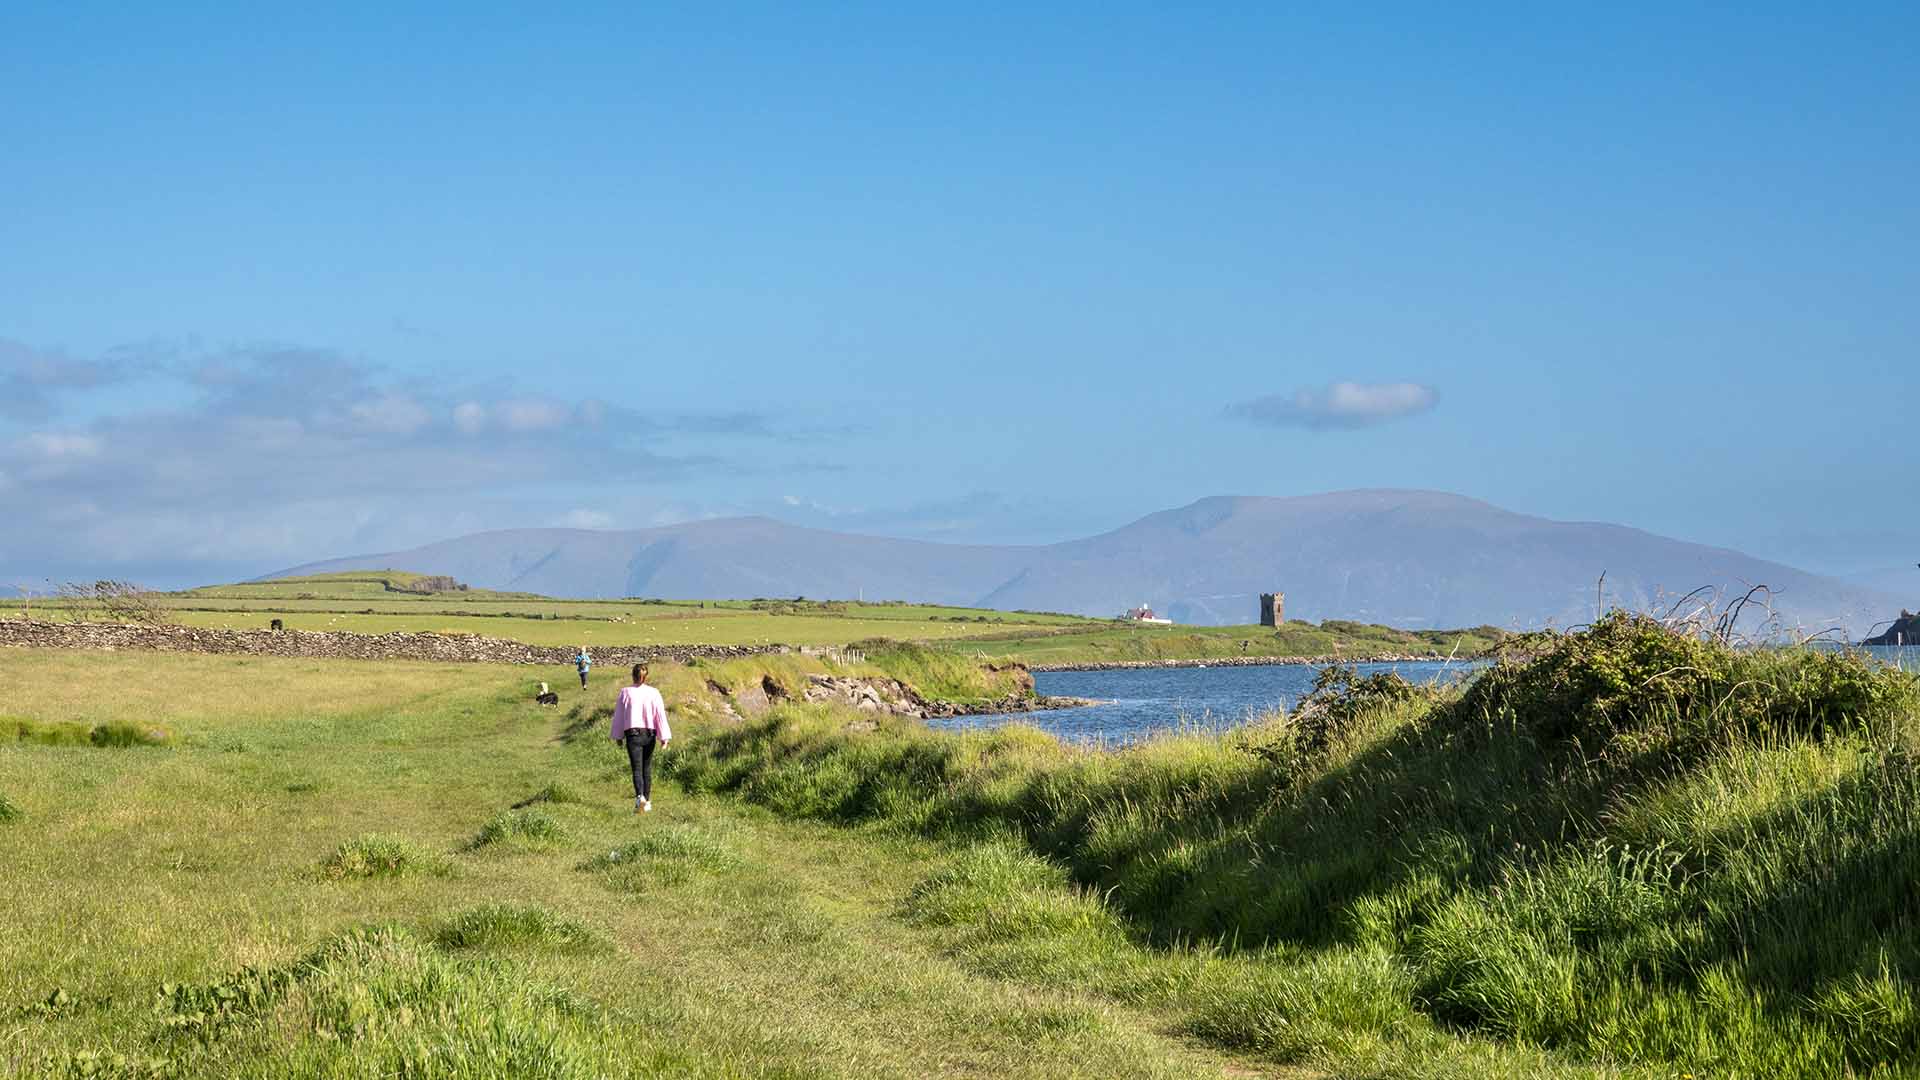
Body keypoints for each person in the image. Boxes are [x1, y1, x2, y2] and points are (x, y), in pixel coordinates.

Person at [609, 663, 671, 813]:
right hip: (650, 734)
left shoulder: (625, 692)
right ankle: (647, 801)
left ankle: (639, 797)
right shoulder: (654, 692)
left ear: (633, 676)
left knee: (636, 768)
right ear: (646, 677)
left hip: (633, 734)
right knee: (646, 768)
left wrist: (618, 736)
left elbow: (619, 716)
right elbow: (660, 715)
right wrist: (664, 737)